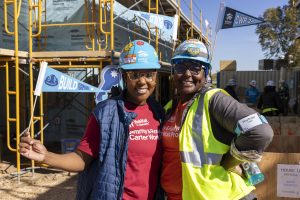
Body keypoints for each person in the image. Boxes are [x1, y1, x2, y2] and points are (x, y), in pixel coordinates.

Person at [19, 40, 165, 200]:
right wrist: (46, 156)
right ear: (123, 76)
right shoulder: (106, 113)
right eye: (134, 75)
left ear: (156, 77)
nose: (143, 81)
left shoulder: (159, 113)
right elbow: (82, 159)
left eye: (149, 74)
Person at [161, 39, 273, 200]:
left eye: (195, 68)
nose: (187, 74)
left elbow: (260, 131)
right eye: (180, 67)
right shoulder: (169, 108)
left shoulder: (213, 100)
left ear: (205, 73)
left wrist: (230, 162)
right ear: (172, 72)